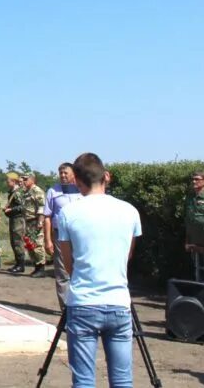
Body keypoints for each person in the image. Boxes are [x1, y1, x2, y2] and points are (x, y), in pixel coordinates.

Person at [59, 152, 142, 387]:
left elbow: (68, 263)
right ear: (106, 176)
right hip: (118, 301)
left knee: (84, 381)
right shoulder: (129, 211)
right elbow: (127, 255)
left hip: (83, 302)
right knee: (123, 380)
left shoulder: (68, 213)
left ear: (77, 181)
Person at [44, 162, 84, 307]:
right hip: (60, 235)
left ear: (73, 174)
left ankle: (80, 304)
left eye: (65, 172)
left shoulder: (82, 190)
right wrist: (48, 240)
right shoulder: (53, 191)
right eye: (60, 173)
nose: (62, 175)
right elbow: (47, 217)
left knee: (81, 269)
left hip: (79, 235)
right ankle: (65, 308)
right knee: (62, 272)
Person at [22, 172, 47, 275]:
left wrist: (40, 221)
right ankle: (36, 266)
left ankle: (41, 267)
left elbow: (41, 207)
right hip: (28, 222)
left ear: (32, 180)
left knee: (37, 245)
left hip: (35, 221)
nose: (24, 181)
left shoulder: (37, 191)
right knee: (30, 245)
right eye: (23, 179)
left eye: (26, 179)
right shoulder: (26, 192)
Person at [4, 172, 27, 274]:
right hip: (13, 219)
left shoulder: (18, 193)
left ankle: (21, 265)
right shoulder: (12, 192)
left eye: (8, 181)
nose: (6, 183)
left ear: (13, 181)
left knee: (18, 241)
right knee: (13, 241)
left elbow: (22, 207)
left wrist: (11, 209)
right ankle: (18, 263)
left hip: (18, 219)